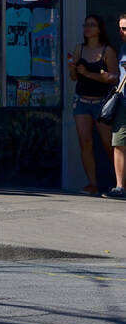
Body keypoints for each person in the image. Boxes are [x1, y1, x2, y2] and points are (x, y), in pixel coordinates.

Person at [68, 13, 118, 196]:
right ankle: (92, 183)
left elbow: (114, 78)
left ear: (99, 29)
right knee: (85, 142)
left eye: (92, 25)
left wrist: (89, 74)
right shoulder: (79, 49)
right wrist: (73, 70)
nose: (87, 28)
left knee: (108, 143)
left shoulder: (107, 51)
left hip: (101, 102)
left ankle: (120, 182)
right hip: (82, 101)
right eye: (85, 25)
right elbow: (73, 78)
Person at [103, 13, 126, 201]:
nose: (121, 32)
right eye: (120, 28)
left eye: (125, 28)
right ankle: (119, 187)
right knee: (119, 143)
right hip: (123, 102)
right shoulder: (122, 48)